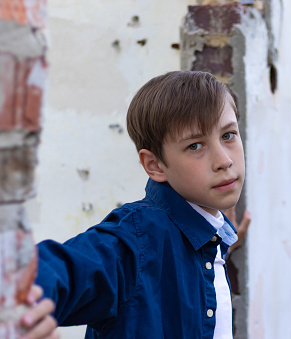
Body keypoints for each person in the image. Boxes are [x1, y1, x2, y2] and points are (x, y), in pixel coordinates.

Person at [21, 71, 251, 338]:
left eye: (228, 135)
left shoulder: (209, 235)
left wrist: (220, 239)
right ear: (155, 166)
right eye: (195, 146)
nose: (224, 160)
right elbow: (59, 270)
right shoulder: (136, 238)